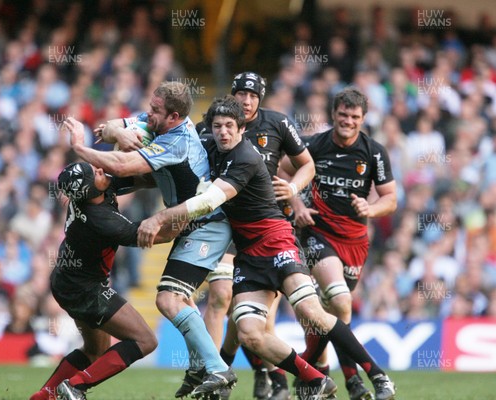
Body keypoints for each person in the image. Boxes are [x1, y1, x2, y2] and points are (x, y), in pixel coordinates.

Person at [137, 95, 397, 400]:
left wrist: (161, 217)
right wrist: (127, 129)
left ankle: (378, 376)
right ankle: (314, 379)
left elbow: (209, 200)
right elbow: (169, 135)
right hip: (248, 254)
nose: (222, 131)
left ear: (241, 129)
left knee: (312, 311)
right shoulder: (209, 149)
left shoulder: (246, 157)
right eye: (217, 126)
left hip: (276, 241)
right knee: (248, 331)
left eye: (229, 126)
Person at [63, 80, 236, 399]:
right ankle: (203, 368)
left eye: (155, 110)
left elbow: (124, 163)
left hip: (206, 227)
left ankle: (217, 369)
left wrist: (80, 148)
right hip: (188, 224)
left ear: (173, 116)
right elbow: (110, 126)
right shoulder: (158, 120)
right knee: (175, 298)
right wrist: (120, 133)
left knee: (168, 299)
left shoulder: (177, 142)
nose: (148, 114)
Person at [197, 71, 315, 400]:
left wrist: (292, 190)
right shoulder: (212, 125)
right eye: (241, 94)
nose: (246, 100)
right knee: (221, 295)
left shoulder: (277, 123)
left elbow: (305, 165)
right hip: (223, 224)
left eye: (252, 95)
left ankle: (265, 374)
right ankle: (215, 371)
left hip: (263, 227)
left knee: (252, 317)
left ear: (260, 99)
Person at [284, 87, 398, 400]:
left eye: (354, 117)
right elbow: (283, 170)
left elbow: (391, 199)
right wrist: (297, 205)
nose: (348, 121)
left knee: (329, 315)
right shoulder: (314, 145)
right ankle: (367, 377)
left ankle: (314, 373)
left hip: (355, 241)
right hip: (317, 233)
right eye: (343, 115)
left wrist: (371, 209)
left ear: (363, 119)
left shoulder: (374, 152)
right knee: (340, 299)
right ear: (334, 114)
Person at [30, 162, 174, 400]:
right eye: (93, 172)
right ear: (90, 190)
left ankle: (44, 396)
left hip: (67, 280)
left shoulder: (95, 189)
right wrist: (193, 210)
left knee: (95, 350)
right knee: (145, 340)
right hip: (84, 289)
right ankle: (75, 386)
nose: (99, 169)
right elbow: (161, 236)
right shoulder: (103, 220)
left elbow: (142, 178)